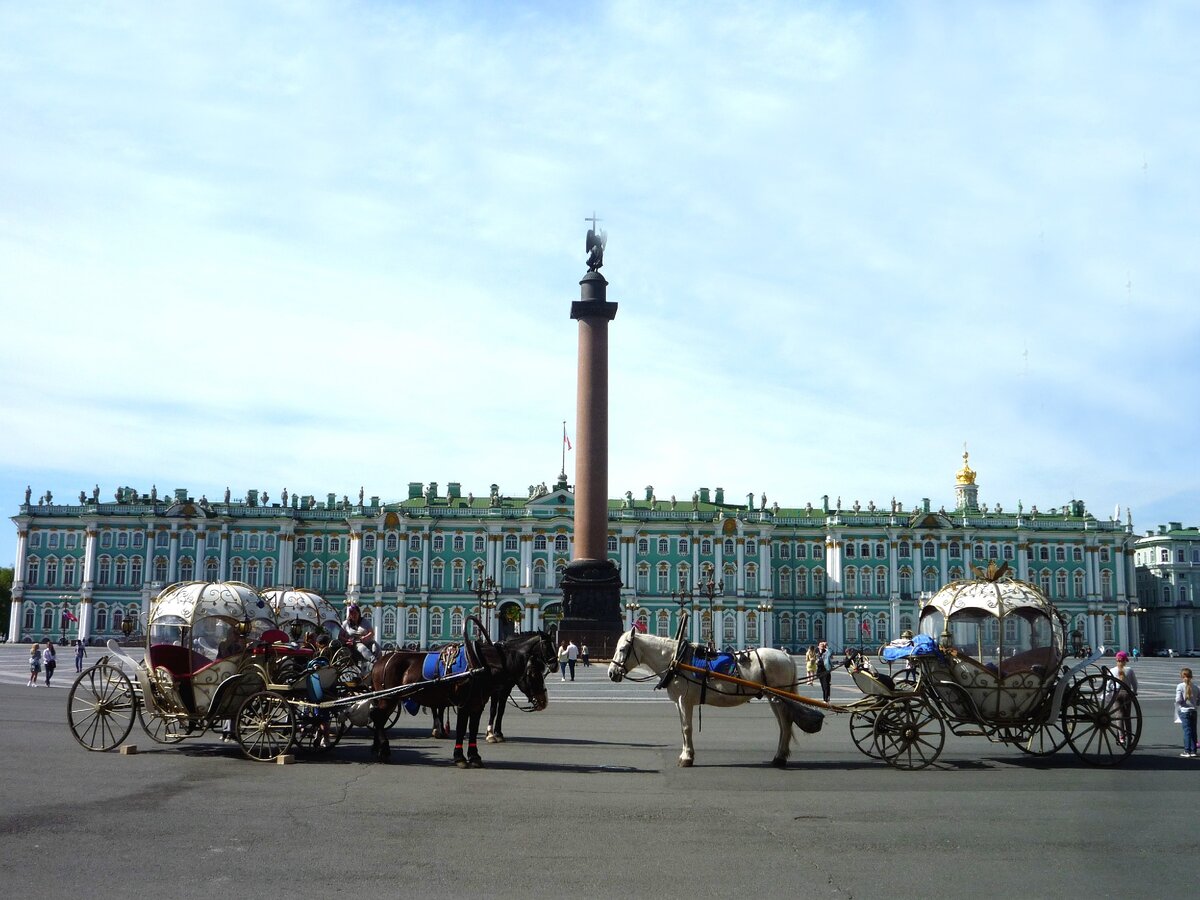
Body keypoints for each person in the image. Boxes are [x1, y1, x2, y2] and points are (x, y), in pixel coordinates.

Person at [1106, 650, 1138, 745]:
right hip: (1127, 694)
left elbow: (1108, 684)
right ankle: (1129, 736)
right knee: (1127, 716)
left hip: (1116, 694)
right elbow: (1134, 683)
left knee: (1119, 716)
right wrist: (1134, 692)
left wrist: (1109, 690)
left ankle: (1121, 737)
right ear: (1125, 661)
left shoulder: (1112, 670)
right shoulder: (1129, 670)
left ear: (1117, 660)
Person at [1174, 667, 1199, 758]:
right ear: (1191, 676)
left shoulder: (1180, 686)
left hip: (1184, 711)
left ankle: (1187, 750)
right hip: (1194, 711)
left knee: (1187, 731)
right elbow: (1199, 701)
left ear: (1181, 676)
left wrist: (1178, 704)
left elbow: (1178, 700)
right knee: (1193, 731)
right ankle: (1193, 750)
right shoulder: (1196, 687)